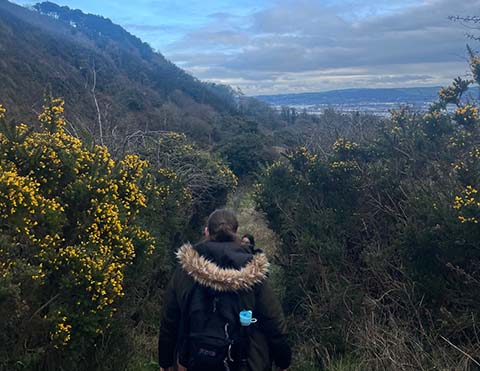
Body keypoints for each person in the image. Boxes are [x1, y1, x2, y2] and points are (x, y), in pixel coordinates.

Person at [158, 209, 291, 371]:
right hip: (245, 362)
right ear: (235, 232)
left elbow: (169, 320)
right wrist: (283, 361)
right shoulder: (253, 270)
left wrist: (165, 362)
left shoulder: (185, 270)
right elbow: (273, 321)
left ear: (206, 231)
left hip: (194, 360)